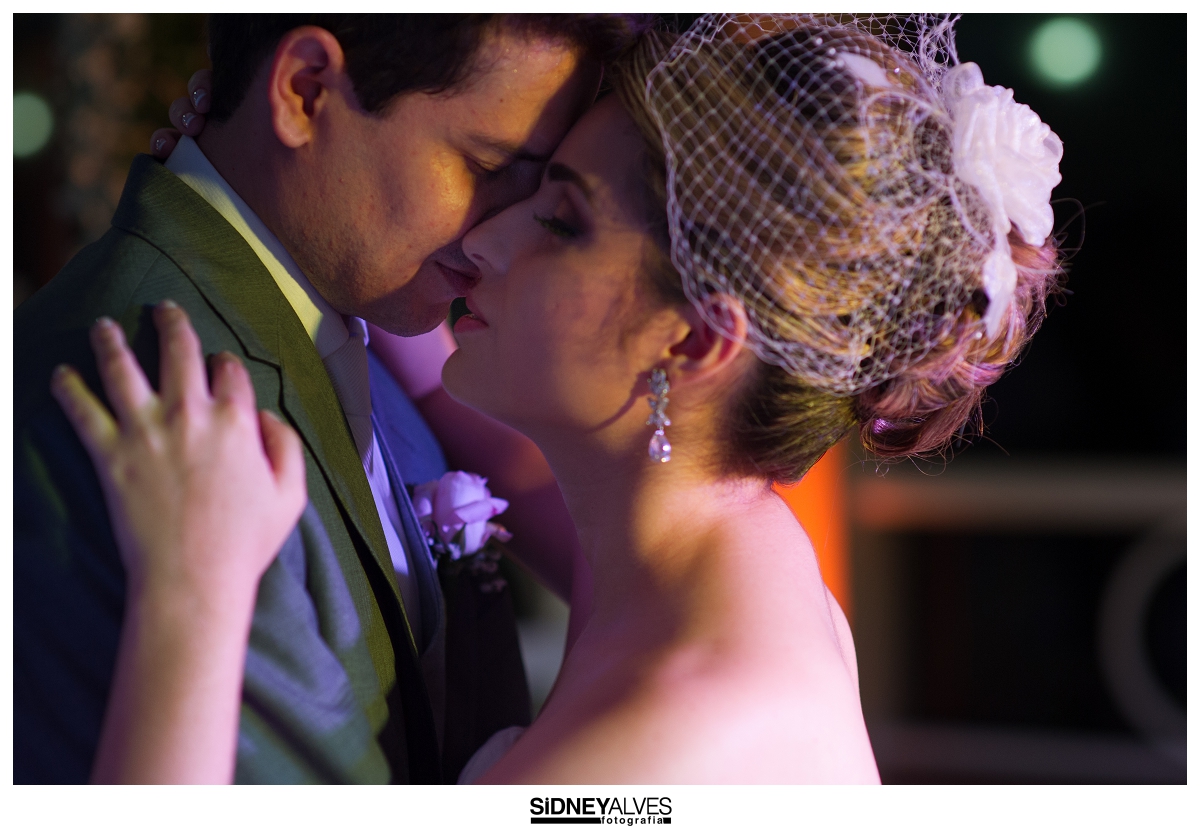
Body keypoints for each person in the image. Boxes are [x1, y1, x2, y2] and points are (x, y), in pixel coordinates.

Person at [50, 14, 1065, 783]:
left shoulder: (657, 745)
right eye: (498, 172)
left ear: (694, 338)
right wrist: (245, 166)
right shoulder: (702, 556)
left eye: (559, 218)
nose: (488, 238)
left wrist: (190, 598)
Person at [14, 13, 644, 784]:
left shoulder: (360, 328)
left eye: (549, 197)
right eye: (488, 166)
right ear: (305, 89)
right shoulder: (144, 401)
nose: (503, 233)